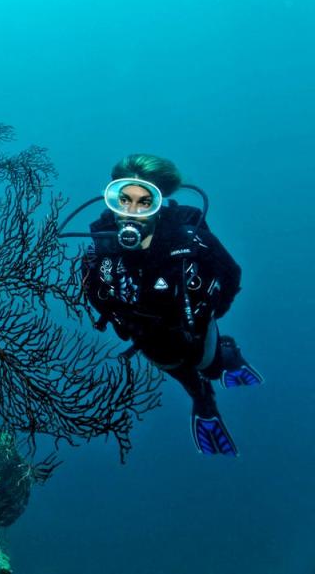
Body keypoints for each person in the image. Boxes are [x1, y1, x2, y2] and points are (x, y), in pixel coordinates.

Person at [79, 154, 263, 456]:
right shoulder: (101, 249)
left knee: (211, 365)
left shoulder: (188, 238)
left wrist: (213, 312)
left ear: (158, 204)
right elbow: (94, 292)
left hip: (194, 328)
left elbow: (231, 274)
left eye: (144, 202)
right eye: (123, 200)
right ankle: (203, 400)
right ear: (110, 198)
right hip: (148, 337)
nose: (131, 212)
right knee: (180, 373)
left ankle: (227, 352)